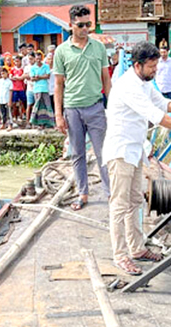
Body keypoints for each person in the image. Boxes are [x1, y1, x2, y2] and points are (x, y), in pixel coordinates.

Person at [103, 41, 171, 275]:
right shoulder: (128, 85)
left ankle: (137, 248)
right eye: (151, 67)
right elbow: (158, 117)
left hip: (135, 150)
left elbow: (163, 103)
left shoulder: (144, 82)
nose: (155, 71)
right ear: (138, 65)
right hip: (120, 152)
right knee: (119, 205)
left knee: (135, 201)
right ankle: (120, 255)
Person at [54, 5, 112, 211]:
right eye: (81, 25)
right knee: (77, 153)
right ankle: (82, 193)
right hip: (72, 108)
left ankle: (110, 194)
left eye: (88, 24)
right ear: (71, 25)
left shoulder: (99, 48)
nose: (85, 28)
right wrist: (58, 114)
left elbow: (106, 78)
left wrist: (110, 107)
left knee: (103, 153)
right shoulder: (61, 51)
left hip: (96, 107)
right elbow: (59, 84)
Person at [30, 51, 54, 129]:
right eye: (37, 58)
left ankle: (49, 122)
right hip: (37, 89)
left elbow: (48, 76)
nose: (38, 60)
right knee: (38, 106)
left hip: (45, 89)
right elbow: (32, 78)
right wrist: (38, 77)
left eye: (40, 59)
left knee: (47, 106)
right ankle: (37, 123)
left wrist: (39, 77)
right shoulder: (33, 67)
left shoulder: (46, 66)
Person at [10, 55, 27, 123]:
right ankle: (15, 116)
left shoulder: (23, 69)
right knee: (14, 103)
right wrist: (14, 77)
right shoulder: (12, 69)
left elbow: (23, 77)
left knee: (22, 103)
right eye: (15, 61)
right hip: (14, 88)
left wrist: (18, 78)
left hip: (21, 88)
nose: (16, 62)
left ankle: (22, 115)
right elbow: (11, 76)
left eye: (18, 61)